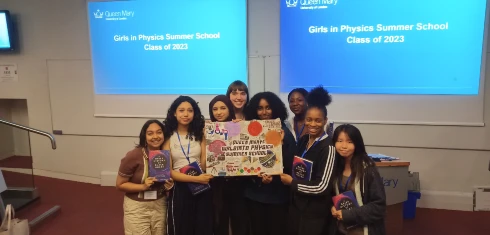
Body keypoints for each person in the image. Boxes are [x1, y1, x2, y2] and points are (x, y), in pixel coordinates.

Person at [279, 86, 336, 235]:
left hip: (314, 213)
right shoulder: (304, 140)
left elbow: (322, 186)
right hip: (297, 207)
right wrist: (281, 143)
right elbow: (292, 163)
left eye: (318, 120)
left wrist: (292, 183)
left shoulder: (328, 147)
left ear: (325, 121)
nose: (312, 124)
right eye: (309, 120)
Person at [243, 91, 296, 235]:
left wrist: (282, 145)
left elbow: (291, 164)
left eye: (268, 107)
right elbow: (242, 160)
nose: (264, 112)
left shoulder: (284, 132)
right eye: (260, 108)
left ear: (275, 109)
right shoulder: (247, 130)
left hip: (278, 196)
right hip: (254, 194)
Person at [164, 96, 214, 235]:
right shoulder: (168, 136)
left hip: (202, 187)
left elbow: (203, 165)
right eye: (181, 110)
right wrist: (196, 179)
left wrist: (206, 138)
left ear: (194, 113)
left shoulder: (199, 134)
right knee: (182, 226)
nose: (185, 114)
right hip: (180, 188)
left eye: (190, 111)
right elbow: (168, 171)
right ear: (174, 113)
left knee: (202, 225)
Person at [116, 119, 175, 235]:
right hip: (137, 207)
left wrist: (168, 186)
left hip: (160, 204)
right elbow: (120, 184)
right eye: (150, 133)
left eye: (159, 132)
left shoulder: (166, 155)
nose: (155, 136)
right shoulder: (134, 155)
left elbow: (164, 183)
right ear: (144, 137)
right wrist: (143, 186)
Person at [331, 124, 386, 235]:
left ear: (357, 143)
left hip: (364, 231)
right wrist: (332, 207)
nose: (344, 146)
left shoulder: (368, 169)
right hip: (342, 229)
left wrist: (348, 215)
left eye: (350, 142)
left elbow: (379, 206)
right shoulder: (335, 166)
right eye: (340, 141)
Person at [208, 95, 250, 235]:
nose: (219, 112)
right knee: (220, 222)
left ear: (229, 109)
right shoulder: (208, 129)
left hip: (238, 183)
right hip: (217, 184)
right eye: (215, 109)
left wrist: (242, 128)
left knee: (240, 222)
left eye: (223, 108)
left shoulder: (237, 126)